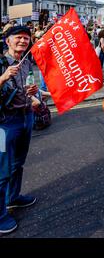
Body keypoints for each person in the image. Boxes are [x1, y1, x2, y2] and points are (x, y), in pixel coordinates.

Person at [0, 26, 39, 234]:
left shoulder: (26, 62)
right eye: (19, 38)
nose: (23, 41)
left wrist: (33, 94)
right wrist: (4, 77)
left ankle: (12, 198)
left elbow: (26, 90)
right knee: (1, 171)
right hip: (4, 123)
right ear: (8, 41)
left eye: (26, 38)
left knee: (18, 164)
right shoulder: (1, 63)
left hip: (26, 117)